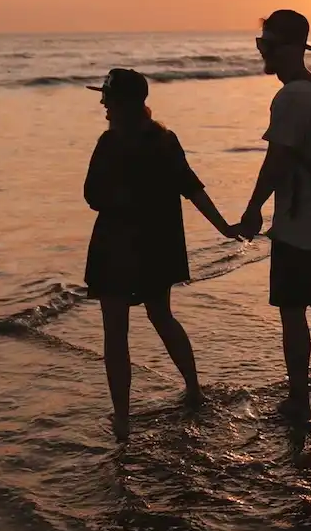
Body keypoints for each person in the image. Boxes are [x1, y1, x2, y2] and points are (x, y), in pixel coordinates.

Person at [83, 68, 237, 440]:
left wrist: (120, 199)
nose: (102, 102)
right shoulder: (164, 140)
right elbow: (192, 188)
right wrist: (224, 228)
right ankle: (194, 389)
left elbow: (91, 196)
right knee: (161, 316)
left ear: (122, 103)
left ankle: (122, 419)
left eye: (107, 97)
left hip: (116, 246)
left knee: (115, 333)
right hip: (157, 245)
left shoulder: (110, 143)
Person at [237, 10, 311, 421]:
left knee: (292, 308)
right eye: (260, 43)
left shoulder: (292, 97)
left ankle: (299, 400)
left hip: (299, 219)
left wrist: (253, 207)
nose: (263, 52)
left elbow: (278, 159)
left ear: (290, 48)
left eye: (267, 44)